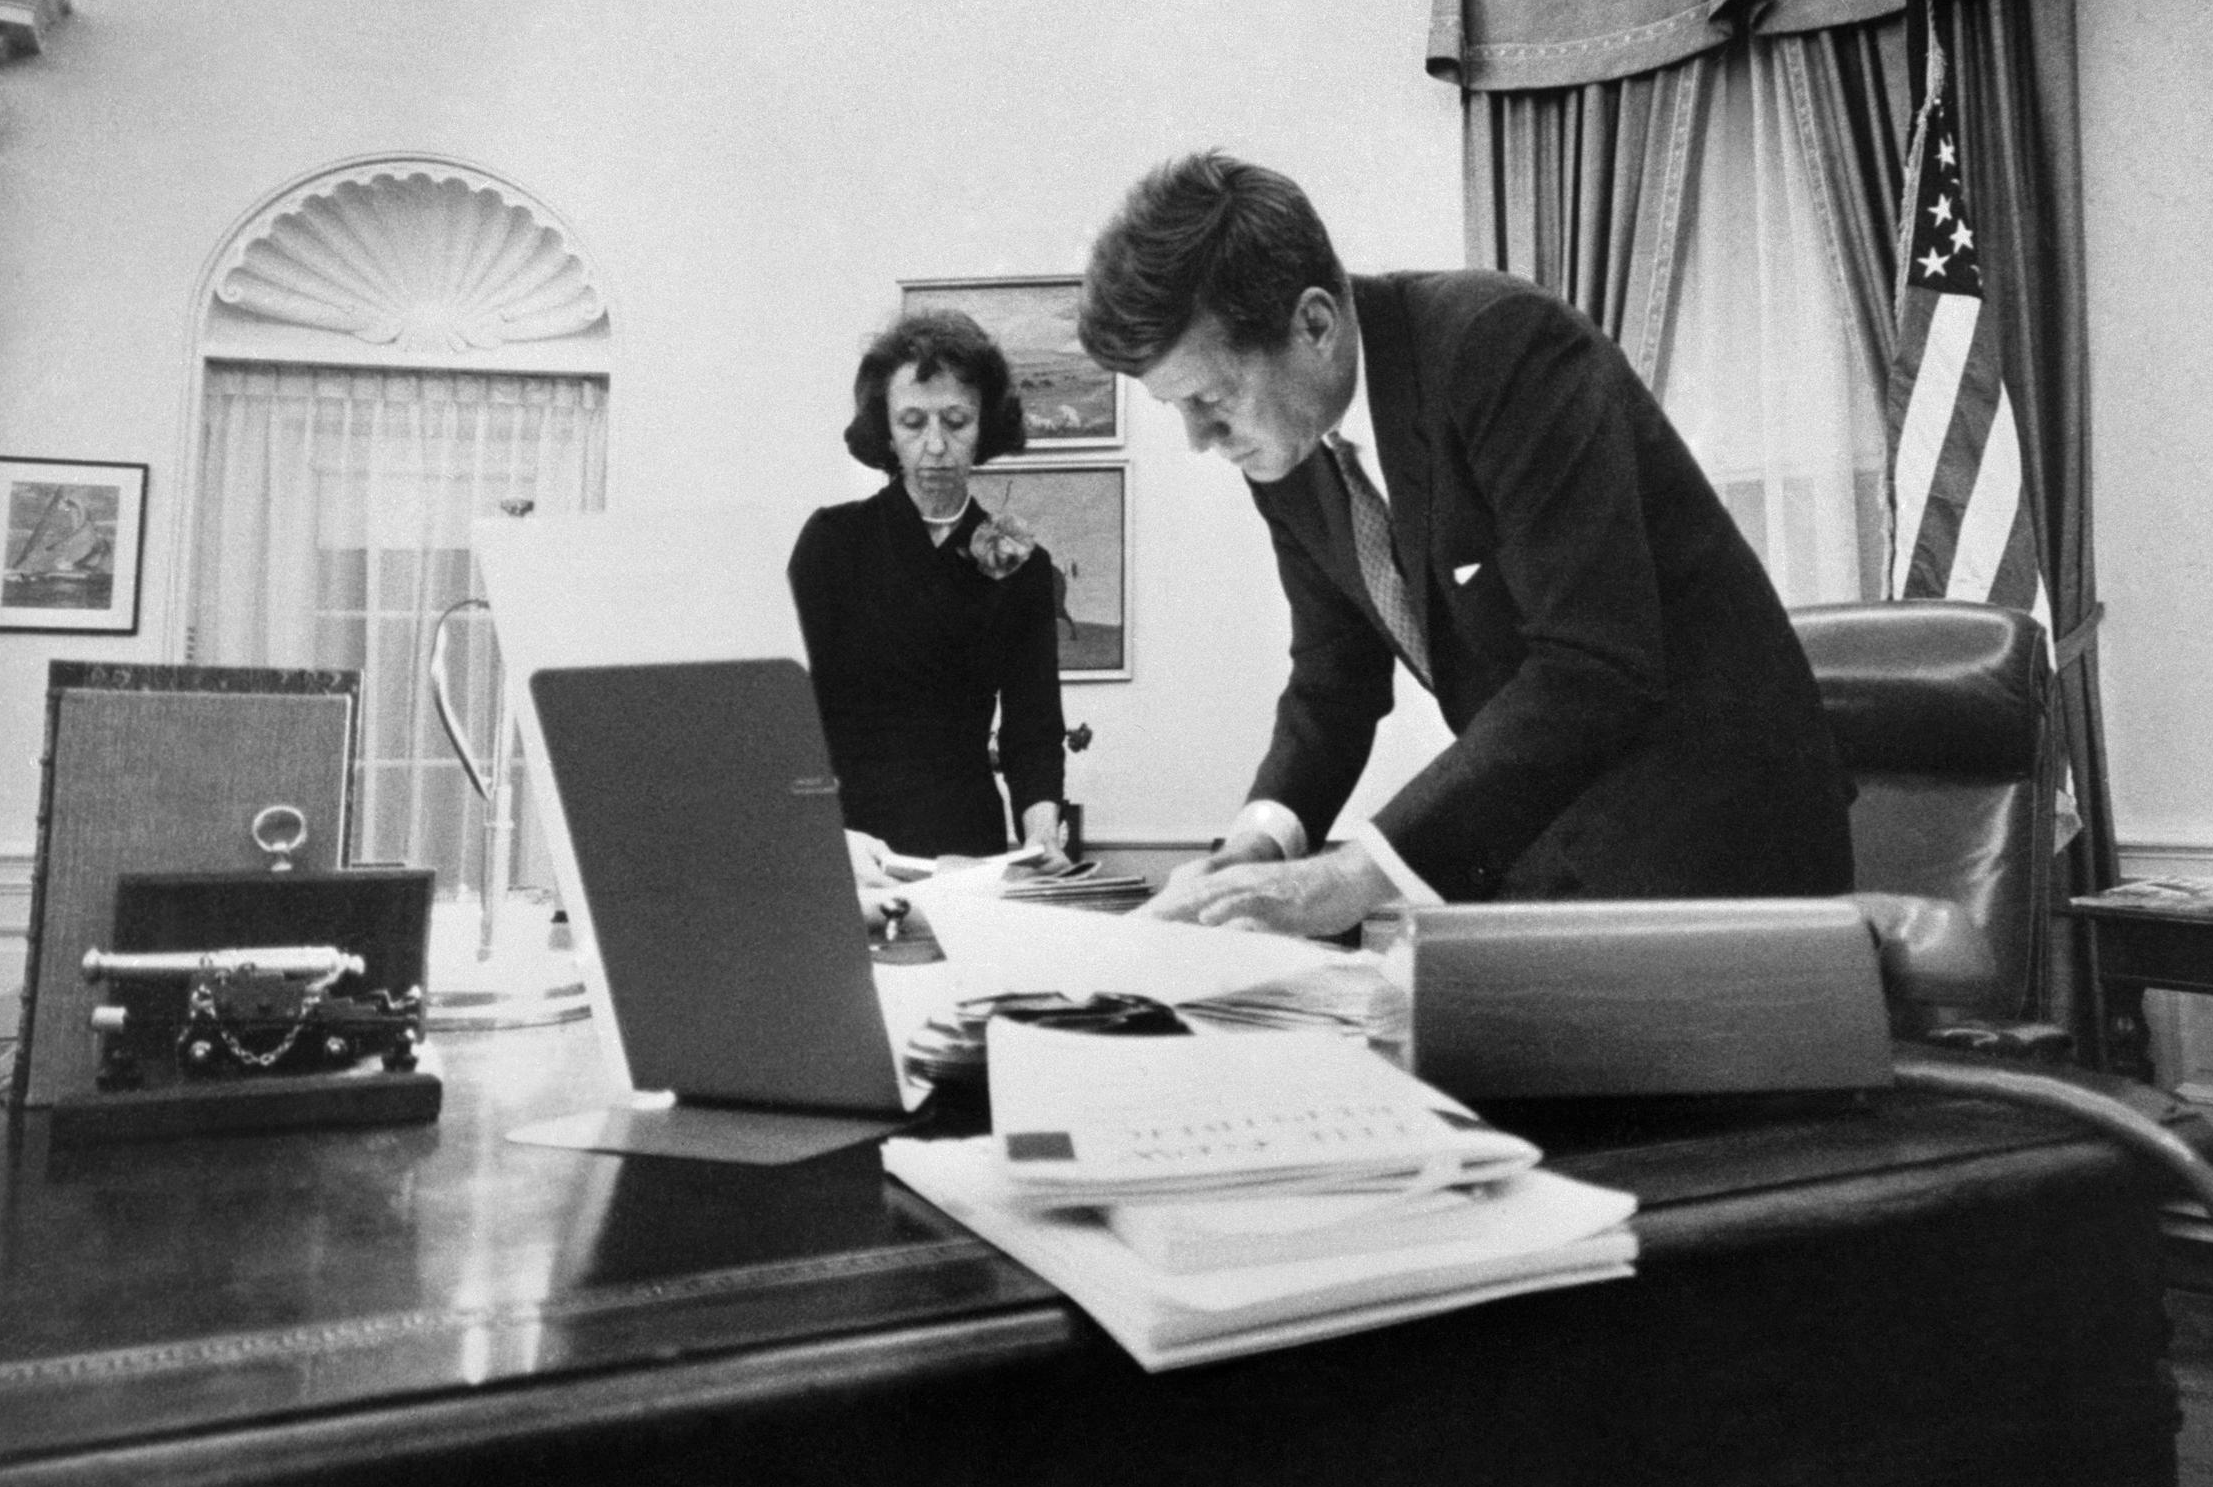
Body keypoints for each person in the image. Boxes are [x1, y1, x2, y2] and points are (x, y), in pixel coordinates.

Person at [1076, 151, 1852, 938]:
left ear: (1313, 323)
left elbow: (1592, 665)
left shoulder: (1498, 345)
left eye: (1209, 397)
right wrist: (1255, 845)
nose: (1198, 439)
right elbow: (1334, 678)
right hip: (1553, 849)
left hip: (1723, 844)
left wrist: (1353, 874)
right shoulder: (1289, 447)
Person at [792, 311, 1069, 864]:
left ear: (984, 426)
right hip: (848, 843)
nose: (936, 445)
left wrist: (1042, 835)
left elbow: (1032, 730)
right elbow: (789, 713)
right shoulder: (832, 543)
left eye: (957, 420)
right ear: (887, 432)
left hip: (964, 846)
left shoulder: (1025, 569)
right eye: (914, 422)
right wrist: (823, 833)